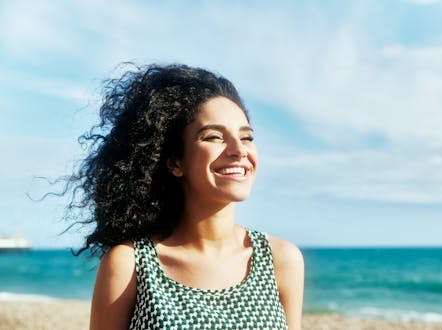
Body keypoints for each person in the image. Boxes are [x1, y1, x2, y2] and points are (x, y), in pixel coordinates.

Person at [69, 63, 304, 329]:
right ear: (175, 162)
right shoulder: (130, 264)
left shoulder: (281, 259)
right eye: (214, 136)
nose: (239, 150)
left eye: (247, 137)